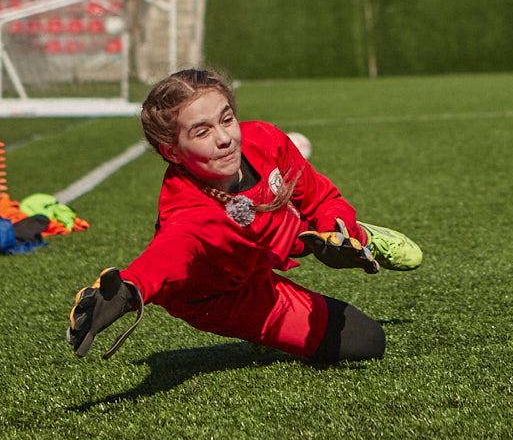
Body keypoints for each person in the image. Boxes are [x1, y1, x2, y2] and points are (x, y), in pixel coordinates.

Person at [66, 68, 422, 365]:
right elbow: (168, 254)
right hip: (224, 296)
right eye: (202, 131)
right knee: (368, 341)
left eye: (226, 119)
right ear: (172, 151)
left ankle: (357, 235)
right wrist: (129, 292)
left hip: (269, 240)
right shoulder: (188, 213)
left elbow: (321, 197)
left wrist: (336, 232)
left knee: (307, 227)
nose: (225, 139)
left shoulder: (265, 139)